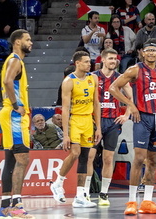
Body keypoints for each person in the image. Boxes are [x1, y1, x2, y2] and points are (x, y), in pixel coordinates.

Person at [109, 40, 156, 216]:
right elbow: (113, 87)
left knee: (153, 161)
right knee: (138, 159)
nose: (152, 53)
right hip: (142, 118)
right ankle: (131, 202)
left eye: (155, 50)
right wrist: (131, 105)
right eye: (148, 50)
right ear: (143, 53)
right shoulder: (135, 70)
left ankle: (147, 201)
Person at [49, 51, 101, 208]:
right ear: (77, 63)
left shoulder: (94, 78)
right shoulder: (68, 81)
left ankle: (80, 196)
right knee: (75, 153)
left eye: (89, 61)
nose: (89, 64)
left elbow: (96, 103)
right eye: (85, 62)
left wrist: (98, 127)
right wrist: (65, 134)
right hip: (75, 120)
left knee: (85, 158)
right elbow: (65, 109)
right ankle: (58, 182)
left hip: (88, 121)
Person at [0, 30, 34, 219]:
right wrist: (15, 105)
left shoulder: (15, 61)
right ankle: (17, 206)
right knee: (22, 159)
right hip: (14, 116)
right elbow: (7, 81)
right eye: (28, 39)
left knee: (11, 160)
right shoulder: (15, 60)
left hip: (11, 115)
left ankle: (5, 208)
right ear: (17, 42)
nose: (31, 42)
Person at [93, 48, 132, 207]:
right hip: (94, 121)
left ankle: (103, 194)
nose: (113, 61)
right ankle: (84, 194)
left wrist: (127, 115)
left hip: (112, 122)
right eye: (110, 58)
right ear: (102, 60)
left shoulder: (120, 78)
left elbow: (131, 97)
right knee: (89, 157)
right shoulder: (93, 77)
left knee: (108, 158)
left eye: (115, 59)